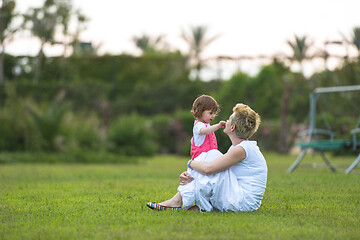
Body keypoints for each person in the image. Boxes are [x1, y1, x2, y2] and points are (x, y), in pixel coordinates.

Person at [147, 103, 268, 212]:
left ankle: (177, 201)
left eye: (229, 119)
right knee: (211, 158)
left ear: (232, 127)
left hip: (244, 202)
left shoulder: (242, 149)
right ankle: (188, 204)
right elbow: (214, 173)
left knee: (212, 155)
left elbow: (209, 169)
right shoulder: (238, 148)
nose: (226, 120)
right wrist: (191, 174)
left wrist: (191, 163)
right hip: (239, 196)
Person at [189, 95, 226, 160]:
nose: (213, 116)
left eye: (214, 113)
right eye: (211, 113)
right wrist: (218, 126)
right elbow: (205, 131)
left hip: (208, 158)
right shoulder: (198, 125)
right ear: (200, 111)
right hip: (200, 159)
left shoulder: (207, 125)